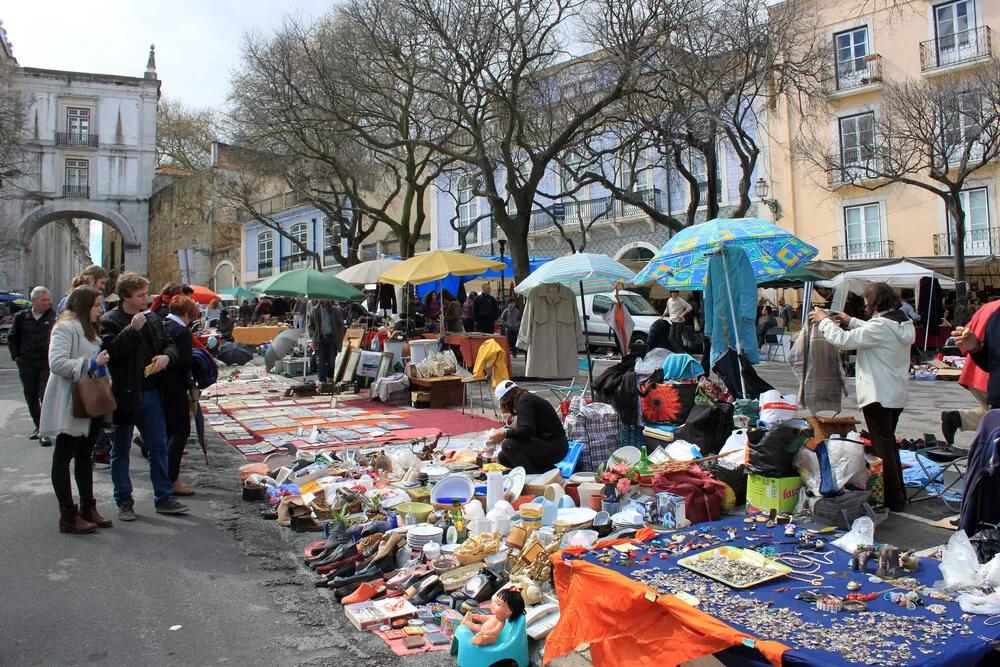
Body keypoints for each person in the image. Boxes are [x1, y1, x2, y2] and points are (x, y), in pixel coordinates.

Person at [808, 282, 915, 512]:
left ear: (875, 302)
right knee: (888, 443)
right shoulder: (902, 323)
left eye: (867, 300)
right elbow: (873, 330)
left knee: (882, 447)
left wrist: (824, 320)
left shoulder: (880, 327)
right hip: (894, 394)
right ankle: (898, 493)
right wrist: (850, 320)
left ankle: (892, 498)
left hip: (877, 394)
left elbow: (844, 341)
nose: (865, 304)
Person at [101, 272, 187, 520]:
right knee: (121, 449)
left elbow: (169, 343)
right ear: (126, 297)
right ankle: (124, 502)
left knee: (158, 445)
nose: (146, 299)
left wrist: (166, 357)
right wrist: (131, 329)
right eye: (140, 295)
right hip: (123, 394)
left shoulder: (153, 319)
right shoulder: (110, 320)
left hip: (150, 392)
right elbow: (111, 353)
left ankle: (163, 497)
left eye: (146, 294)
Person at [39, 285, 114, 533]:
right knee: (63, 456)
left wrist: (100, 367)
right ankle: (68, 514)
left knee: (85, 455)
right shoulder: (65, 327)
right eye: (96, 305)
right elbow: (57, 363)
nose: (100, 310)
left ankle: (87, 507)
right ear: (83, 305)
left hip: (89, 400)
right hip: (70, 401)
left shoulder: (90, 330)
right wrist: (92, 363)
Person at [487, 380, 568, 474]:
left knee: (508, 445)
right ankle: (543, 470)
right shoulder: (525, 399)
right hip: (552, 445)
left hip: (555, 447)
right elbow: (527, 430)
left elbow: (527, 430)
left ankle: (532, 477)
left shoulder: (524, 401)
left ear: (506, 400)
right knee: (503, 456)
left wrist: (505, 434)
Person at [162, 296, 200, 497]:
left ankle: (166, 475)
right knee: (181, 431)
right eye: (191, 317)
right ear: (186, 315)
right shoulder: (181, 331)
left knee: (169, 432)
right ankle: (172, 478)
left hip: (161, 386)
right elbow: (184, 361)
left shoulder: (162, 324)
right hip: (175, 387)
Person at [9, 286, 56, 444]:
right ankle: (38, 426)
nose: (47, 303)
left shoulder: (53, 316)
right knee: (31, 396)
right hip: (27, 362)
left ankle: (45, 432)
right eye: (43, 300)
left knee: (45, 395)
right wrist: (16, 356)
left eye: (48, 299)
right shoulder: (22, 316)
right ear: (34, 300)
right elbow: (12, 337)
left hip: (45, 362)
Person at [310, 299, 345, 382]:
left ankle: (330, 378)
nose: (321, 301)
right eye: (319, 299)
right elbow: (310, 325)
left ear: (328, 300)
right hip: (320, 338)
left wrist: (340, 334)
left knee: (331, 360)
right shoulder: (315, 310)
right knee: (320, 360)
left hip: (332, 338)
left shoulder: (335, 310)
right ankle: (322, 380)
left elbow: (341, 324)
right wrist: (313, 336)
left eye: (323, 299)